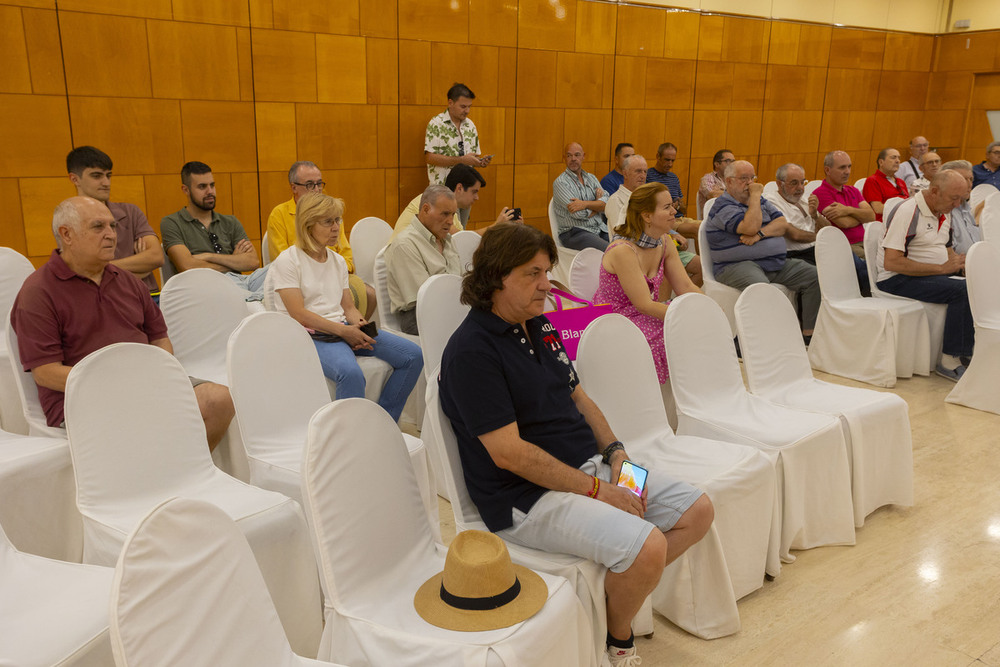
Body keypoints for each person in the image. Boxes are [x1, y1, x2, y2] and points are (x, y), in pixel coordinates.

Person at [439, 222, 713, 667]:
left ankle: (615, 589)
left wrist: (617, 455)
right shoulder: (472, 352)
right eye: (532, 274)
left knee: (696, 510)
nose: (547, 284)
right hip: (526, 499)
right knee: (649, 547)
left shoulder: (540, 325)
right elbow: (508, 453)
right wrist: (601, 492)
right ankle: (616, 635)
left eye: (547, 271)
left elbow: (581, 400)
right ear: (495, 276)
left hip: (591, 467)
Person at [11, 196, 234, 448]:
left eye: (113, 226)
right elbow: (46, 373)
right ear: (67, 234)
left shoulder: (128, 281)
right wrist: (121, 385)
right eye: (98, 227)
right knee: (147, 418)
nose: (111, 235)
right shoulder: (38, 291)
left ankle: (183, 469)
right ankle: (164, 472)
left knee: (219, 400)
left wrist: (158, 373)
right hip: (84, 396)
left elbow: (159, 338)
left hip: (144, 382)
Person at [264, 192, 422, 421]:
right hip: (310, 336)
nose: (336, 227)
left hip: (341, 328)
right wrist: (345, 332)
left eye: (338, 220)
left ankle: (384, 421)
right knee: (350, 374)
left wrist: (359, 324)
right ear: (308, 225)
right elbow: (298, 314)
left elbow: (348, 307)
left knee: (413, 356)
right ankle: (347, 437)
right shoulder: (288, 261)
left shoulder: (337, 261)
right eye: (328, 221)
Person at [596, 182, 701, 384]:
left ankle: (689, 398)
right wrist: (684, 316)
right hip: (617, 317)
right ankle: (657, 400)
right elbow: (642, 304)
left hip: (645, 312)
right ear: (646, 216)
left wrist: (707, 308)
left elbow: (685, 287)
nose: (674, 211)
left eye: (672, 205)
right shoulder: (623, 250)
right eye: (667, 207)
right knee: (670, 336)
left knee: (696, 328)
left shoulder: (664, 241)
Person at [875, 170, 973, 381]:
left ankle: (969, 352)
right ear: (935, 191)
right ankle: (950, 360)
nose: (957, 204)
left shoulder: (944, 211)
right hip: (895, 279)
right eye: (953, 198)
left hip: (929, 275)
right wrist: (942, 269)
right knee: (962, 290)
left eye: (961, 199)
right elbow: (891, 262)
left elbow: (946, 249)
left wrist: (959, 263)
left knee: (977, 283)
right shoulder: (908, 211)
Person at [706, 160, 821, 337]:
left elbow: (782, 224)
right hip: (736, 265)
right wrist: (755, 198)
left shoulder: (760, 201)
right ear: (729, 182)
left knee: (814, 276)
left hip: (771, 263)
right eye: (744, 178)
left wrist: (760, 234)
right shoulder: (723, 206)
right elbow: (749, 227)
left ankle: (808, 335)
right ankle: (763, 338)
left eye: (752, 178)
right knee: (762, 289)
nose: (750, 183)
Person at [266, 161, 374, 319]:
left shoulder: (332, 214)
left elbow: (347, 258)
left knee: (369, 294)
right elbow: (281, 260)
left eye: (319, 184)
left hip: (333, 270)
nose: (316, 190)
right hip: (302, 277)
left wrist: (333, 266)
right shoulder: (279, 214)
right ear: (293, 187)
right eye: (310, 185)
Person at [161, 161, 268, 298]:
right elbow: (188, 266)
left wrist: (208, 256)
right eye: (202, 187)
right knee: (256, 301)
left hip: (240, 283)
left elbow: (252, 262)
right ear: (185, 190)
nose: (210, 191)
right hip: (202, 291)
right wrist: (235, 261)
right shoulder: (171, 223)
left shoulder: (230, 222)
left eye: (212, 185)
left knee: (276, 270)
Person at [66, 146, 162, 293]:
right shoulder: (68, 221)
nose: (106, 183)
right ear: (74, 179)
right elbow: (83, 273)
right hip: (101, 298)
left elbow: (156, 257)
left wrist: (104, 268)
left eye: (108, 175)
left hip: (148, 295)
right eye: (97, 176)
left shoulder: (131, 212)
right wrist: (140, 267)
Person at [606, 155, 702, 287]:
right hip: (638, 253)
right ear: (625, 173)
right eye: (638, 171)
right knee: (664, 267)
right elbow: (622, 233)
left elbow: (658, 222)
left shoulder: (649, 198)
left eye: (645, 171)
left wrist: (672, 233)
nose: (643, 175)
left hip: (658, 246)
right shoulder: (615, 201)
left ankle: (679, 302)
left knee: (701, 266)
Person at [385, 185, 462, 335]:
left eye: (452, 214)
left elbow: (459, 281)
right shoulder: (404, 244)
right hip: (418, 316)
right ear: (425, 209)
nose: (450, 221)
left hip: (451, 305)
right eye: (445, 214)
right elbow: (426, 299)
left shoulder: (447, 239)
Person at [392, 164, 519, 241]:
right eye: (474, 192)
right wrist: (496, 226)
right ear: (459, 188)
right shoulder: (431, 200)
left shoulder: (454, 210)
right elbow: (460, 239)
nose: (477, 198)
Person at [425, 83, 491, 187]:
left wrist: (480, 161)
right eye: (463, 106)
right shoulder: (436, 123)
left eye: (469, 106)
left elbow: (473, 157)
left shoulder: (471, 125)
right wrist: (461, 160)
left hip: (466, 190)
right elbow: (430, 158)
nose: (467, 111)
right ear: (450, 103)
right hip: (442, 191)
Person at [814, 151, 876, 257]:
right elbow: (845, 223)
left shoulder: (853, 190)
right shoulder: (820, 193)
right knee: (880, 264)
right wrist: (861, 216)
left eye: (849, 167)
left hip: (865, 242)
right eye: (842, 167)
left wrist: (847, 210)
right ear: (827, 170)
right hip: (844, 246)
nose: (847, 171)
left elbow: (871, 216)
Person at [552, 142, 609, 251]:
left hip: (599, 228)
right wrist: (597, 204)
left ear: (583, 156)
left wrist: (585, 204)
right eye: (569, 155)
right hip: (574, 233)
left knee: (623, 247)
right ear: (564, 158)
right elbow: (578, 213)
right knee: (610, 251)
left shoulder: (591, 178)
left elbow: (607, 203)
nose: (573, 159)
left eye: (577, 155)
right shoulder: (561, 183)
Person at [940, 160, 980, 255]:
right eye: (963, 179)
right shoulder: (942, 211)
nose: (969, 184)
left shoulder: (966, 208)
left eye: (971, 179)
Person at [862, 148, 910, 221]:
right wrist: (903, 210)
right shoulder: (872, 180)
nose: (898, 161)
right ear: (881, 162)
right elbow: (878, 209)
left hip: (903, 220)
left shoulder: (901, 182)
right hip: (883, 223)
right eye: (893, 157)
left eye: (899, 158)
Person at [696, 149, 734, 220]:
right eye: (728, 161)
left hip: (731, 216)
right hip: (713, 219)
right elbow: (713, 195)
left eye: (733, 161)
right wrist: (735, 193)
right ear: (717, 164)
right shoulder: (707, 178)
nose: (732, 164)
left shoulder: (734, 179)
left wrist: (722, 192)